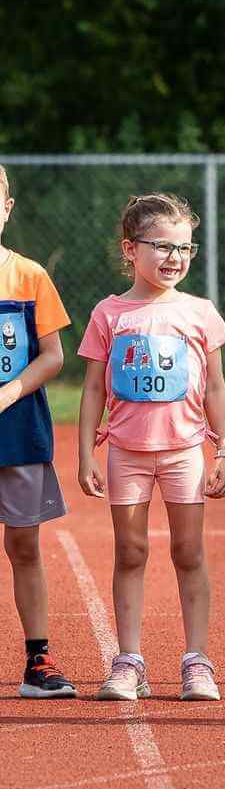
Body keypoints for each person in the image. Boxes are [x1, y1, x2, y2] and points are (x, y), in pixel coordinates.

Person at [77, 192, 225, 702]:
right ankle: (129, 661)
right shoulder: (109, 313)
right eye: (162, 246)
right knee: (131, 551)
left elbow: (215, 388)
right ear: (130, 249)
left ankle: (197, 661)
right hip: (126, 452)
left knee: (188, 552)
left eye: (185, 249)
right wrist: (85, 454)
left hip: (185, 452)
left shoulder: (200, 312)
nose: (174, 258)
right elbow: (93, 389)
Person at [0, 164, 76, 699]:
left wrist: (9, 391)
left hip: (19, 427)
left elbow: (53, 356)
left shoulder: (28, 275)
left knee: (24, 546)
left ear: (5, 208)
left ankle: (37, 659)